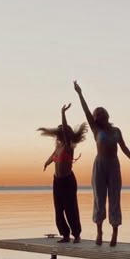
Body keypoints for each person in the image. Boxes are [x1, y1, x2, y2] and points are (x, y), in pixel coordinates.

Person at [73, 80, 130, 247]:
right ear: (96, 118)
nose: (100, 113)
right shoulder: (97, 130)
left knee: (115, 198)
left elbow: (123, 146)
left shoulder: (116, 131)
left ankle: (115, 232)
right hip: (100, 165)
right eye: (97, 113)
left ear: (107, 115)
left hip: (113, 165)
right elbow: (86, 111)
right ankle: (99, 231)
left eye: (102, 112)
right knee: (99, 198)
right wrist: (80, 94)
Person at [38, 104, 87, 243]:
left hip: (68, 180)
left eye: (63, 130)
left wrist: (63, 113)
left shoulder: (68, 144)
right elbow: (53, 155)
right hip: (57, 181)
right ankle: (65, 235)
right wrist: (47, 163)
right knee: (58, 209)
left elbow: (65, 130)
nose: (61, 131)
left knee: (70, 208)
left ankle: (76, 234)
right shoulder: (58, 146)